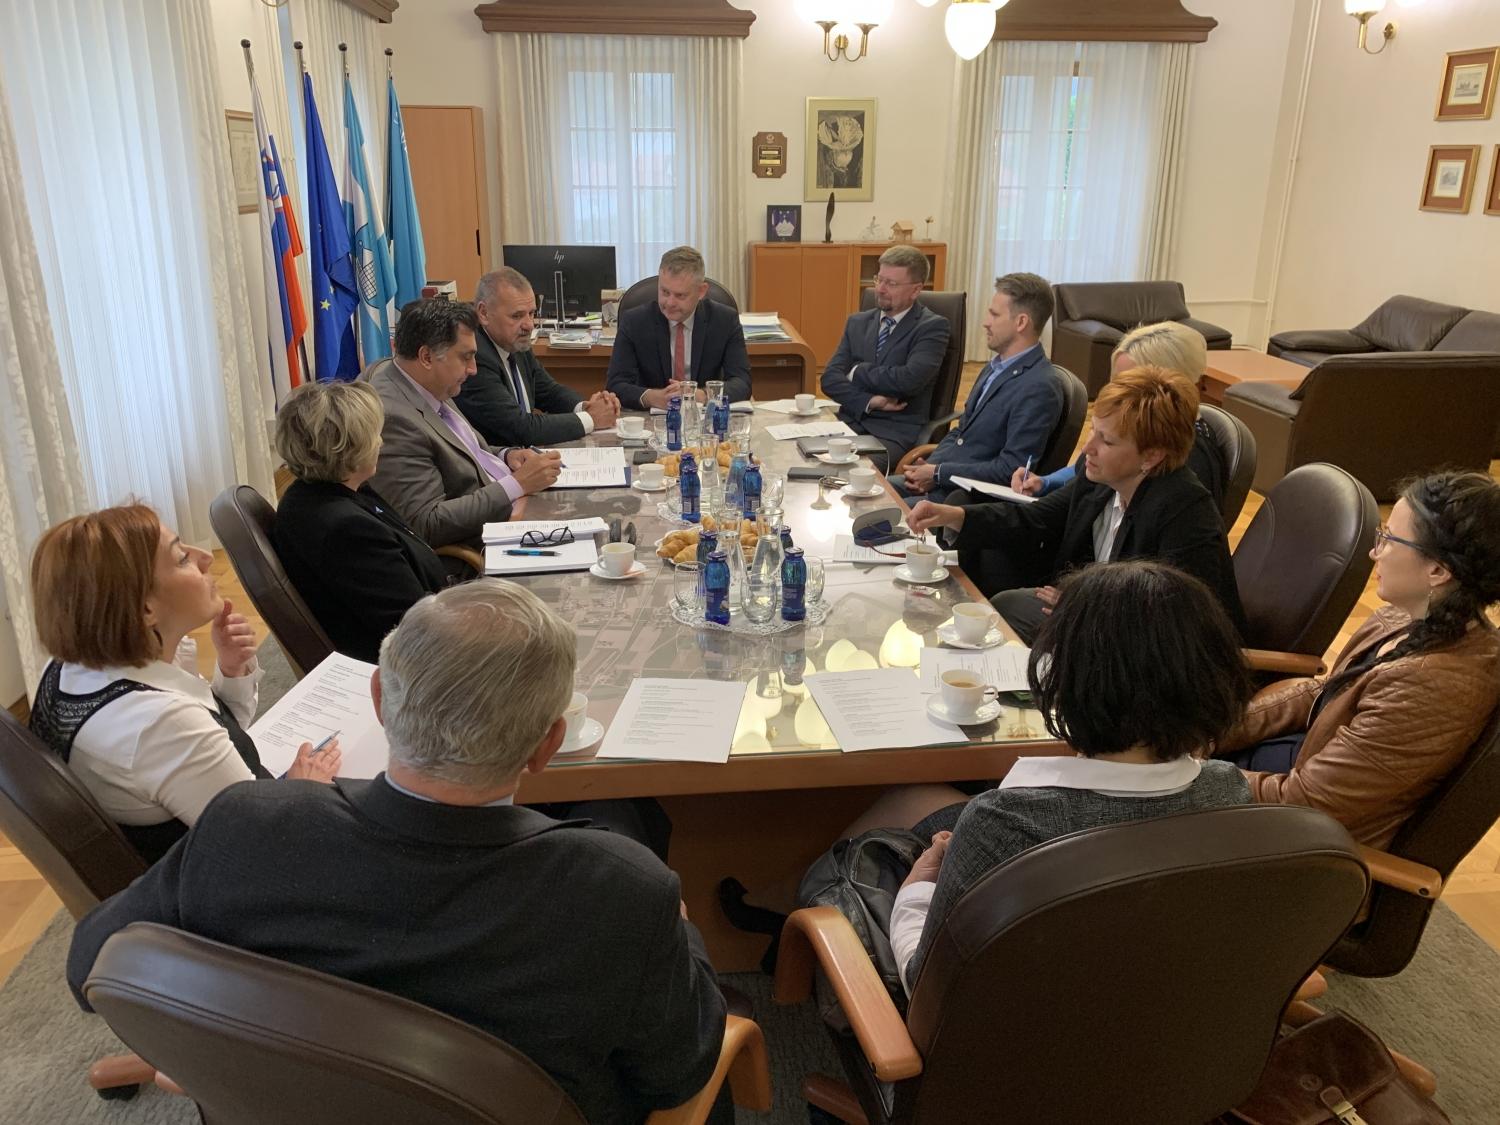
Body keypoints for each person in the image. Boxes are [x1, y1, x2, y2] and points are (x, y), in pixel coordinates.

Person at [65, 579, 726, 1124]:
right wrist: (682, 933)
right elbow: (679, 1070)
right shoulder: (620, 890)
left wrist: (194, 1044)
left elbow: (90, 965)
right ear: (548, 743)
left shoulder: (247, 823)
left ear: (379, 700)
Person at [878, 562, 1253, 993]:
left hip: (1003, 1025)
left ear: (1066, 679)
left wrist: (916, 892)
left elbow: (925, 981)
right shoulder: (1229, 792)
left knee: (891, 817)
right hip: (1154, 1005)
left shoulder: (1004, 825)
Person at [28, 505, 340, 863]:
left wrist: (231, 670)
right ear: (146, 610)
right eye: (181, 558)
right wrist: (303, 790)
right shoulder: (161, 723)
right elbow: (267, 847)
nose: (205, 557)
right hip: (225, 874)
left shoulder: (70, 667)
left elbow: (202, 745)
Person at [1215, 471, 1500, 849]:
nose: (1374, 552)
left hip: (1296, 844)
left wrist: (1191, 778)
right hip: (1287, 772)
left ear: (1437, 570)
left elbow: (1306, 802)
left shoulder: (1434, 688)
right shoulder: (1409, 614)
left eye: (1390, 539)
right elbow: (1327, 692)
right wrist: (1207, 733)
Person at [909, 366, 1246, 644]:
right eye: (1093, 431)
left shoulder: (1185, 512)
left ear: (1152, 456)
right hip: (1098, 618)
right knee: (1006, 605)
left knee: (1007, 612)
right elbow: (1037, 518)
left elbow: (1178, 621)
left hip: (1147, 650)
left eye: (1106, 440)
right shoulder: (1100, 479)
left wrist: (1087, 608)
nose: (1088, 448)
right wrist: (955, 515)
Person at [271, 380, 449, 663]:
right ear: (350, 447)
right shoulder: (345, 529)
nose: (381, 442)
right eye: (374, 434)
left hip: (433, 618)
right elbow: (414, 629)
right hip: (413, 663)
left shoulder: (316, 491)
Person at [368, 298, 562, 552]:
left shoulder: (428, 381)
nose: (473, 369)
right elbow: (426, 523)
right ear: (426, 357)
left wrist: (506, 455)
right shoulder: (393, 418)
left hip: (511, 506)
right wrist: (517, 485)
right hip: (486, 542)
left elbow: (460, 448)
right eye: (465, 357)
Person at [1012, 320, 1225, 513]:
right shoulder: (1119, 432)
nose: (1115, 392)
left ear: (1164, 387)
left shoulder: (1189, 464)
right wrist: (1046, 482)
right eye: (1115, 381)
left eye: (1128, 384)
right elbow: (1082, 470)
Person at [895, 272, 1063, 503]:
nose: (986, 322)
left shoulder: (1040, 387)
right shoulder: (995, 367)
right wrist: (931, 467)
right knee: (868, 491)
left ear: (1021, 322)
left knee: (876, 513)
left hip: (966, 500)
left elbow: (1010, 470)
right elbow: (961, 432)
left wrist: (938, 473)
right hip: (944, 483)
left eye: (994, 314)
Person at [455, 267, 621, 446]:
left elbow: (548, 391)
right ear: (484, 313)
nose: (529, 325)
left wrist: (585, 406)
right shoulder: (474, 357)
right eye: (517, 316)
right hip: (496, 459)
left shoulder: (515, 342)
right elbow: (521, 429)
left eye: (531, 313)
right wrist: (591, 418)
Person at [820, 244, 951, 465]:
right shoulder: (858, 322)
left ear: (916, 290)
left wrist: (857, 371)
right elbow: (830, 380)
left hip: (892, 433)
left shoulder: (932, 327)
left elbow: (908, 380)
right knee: (800, 460)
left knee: (851, 472)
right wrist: (870, 401)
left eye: (891, 283)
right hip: (848, 423)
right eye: (879, 279)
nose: (880, 289)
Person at [606, 246, 751, 410]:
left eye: (680, 295)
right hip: (652, 418)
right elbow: (615, 384)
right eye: (665, 292)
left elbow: (742, 383)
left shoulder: (724, 320)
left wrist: (702, 395)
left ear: (701, 291)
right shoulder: (634, 322)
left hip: (705, 417)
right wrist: (652, 397)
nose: (670, 303)